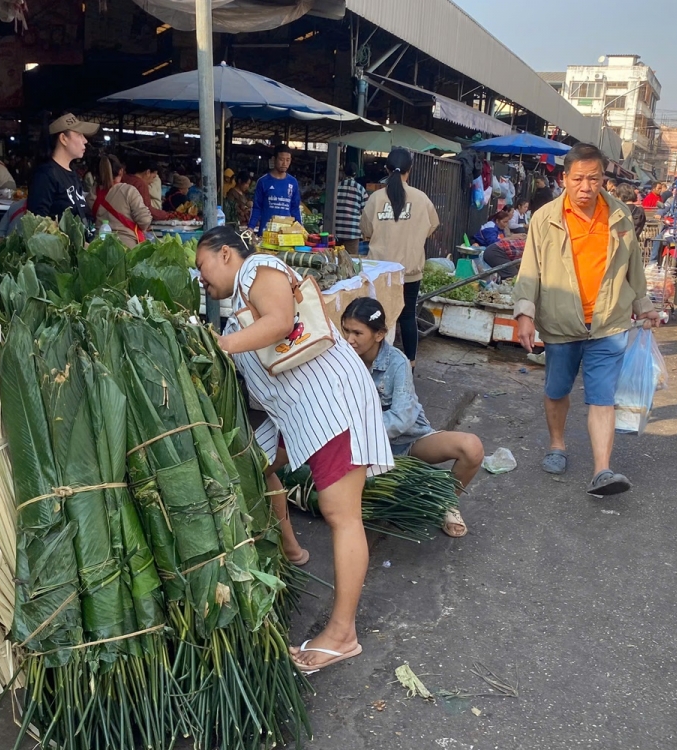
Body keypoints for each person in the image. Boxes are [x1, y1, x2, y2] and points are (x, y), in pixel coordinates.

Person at [194, 225, 393, 673]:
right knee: (254, 463)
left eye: (201, 264)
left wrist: (218, 346)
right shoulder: (238, 304)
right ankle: (291, 551)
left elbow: (281, 322)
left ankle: (342, 634)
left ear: (225, 253)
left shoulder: (257, 268)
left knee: (341, 515)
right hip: (298, 412)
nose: (199, 277)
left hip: (330, 402)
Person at [514, 143, 659, 498]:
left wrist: (644, 304)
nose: (585, 187)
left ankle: (602, 470)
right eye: (578, 178)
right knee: (557, 389)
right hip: (561, 322)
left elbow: (634, 267)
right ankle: (558, 444)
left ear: (603, 179)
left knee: (601, 397)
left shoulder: (620, 215)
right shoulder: (544, 218)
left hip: (608, 322)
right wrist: (524, 314)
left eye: (593, 179)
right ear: (565, 178)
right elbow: (529, 271)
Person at [341, 297, 483, 537]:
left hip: (407, 442)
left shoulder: (397, 363)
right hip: (366, 451)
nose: (349, 339)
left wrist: (357, 433)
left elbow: (402, 419)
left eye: (357, 332)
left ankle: (446, 502)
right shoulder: (341, 360)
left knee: (472, 447)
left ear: (379, 335)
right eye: (345, 330)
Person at [359, 147, 440, 365]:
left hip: (379, 272)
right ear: (409, 170)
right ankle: (410, 364)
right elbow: (432, 225)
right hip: (409, 269)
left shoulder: (375, 198)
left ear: (386, 169)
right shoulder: (422, 199)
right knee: (406, 316)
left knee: (377, 316)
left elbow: (365, 231)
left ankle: (374, 364)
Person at [28, 113, 99, 238]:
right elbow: (37, 224)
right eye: (79, 134)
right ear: (63, 138)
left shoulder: (73, 174)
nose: (85, 140)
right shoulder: (46, 174)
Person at [94, 155, 152, 248]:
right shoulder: (128, 191)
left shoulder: (91, 194)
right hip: (125, 247)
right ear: (121, 171)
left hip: (99, 247)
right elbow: (144, 220)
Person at [249, 144, 302, 233]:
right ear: (274, 159)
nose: (285, 163)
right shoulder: (263, 181)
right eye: (281, 159)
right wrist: (250, 227)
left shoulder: (293, 182)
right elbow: (257, 207)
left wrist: (300, 227)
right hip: (266, 232)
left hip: (286, 233)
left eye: (288, 160)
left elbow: (295, 208)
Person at [122, 156, 172, 224]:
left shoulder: (123, 179)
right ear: (148, 172)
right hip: (131, 225)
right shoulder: (140, 184)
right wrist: (165, 214)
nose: (152, 181)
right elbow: (146, 210)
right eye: (153, 177)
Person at [334, 163, 369, 250]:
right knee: (351, 259)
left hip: (336, 231)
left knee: (336, 259)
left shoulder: (336, 187)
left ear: (344, 173)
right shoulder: (361, 189)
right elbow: (366, 211)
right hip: (353, 232)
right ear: (356, 173)